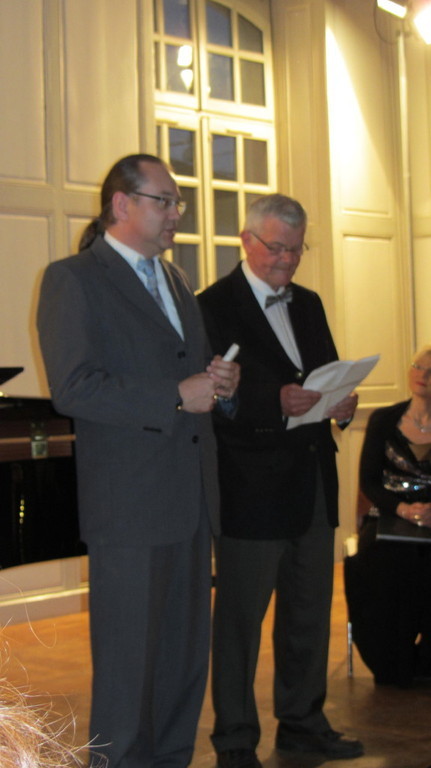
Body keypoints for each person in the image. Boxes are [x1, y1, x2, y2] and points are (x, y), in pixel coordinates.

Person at [36, 154, 239, 768]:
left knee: (183, 662)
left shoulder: (175, 279)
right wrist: (175, 395)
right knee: (128, 670)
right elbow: (74, 388)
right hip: (129, 508)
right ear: (122, 204)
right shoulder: (73, 278)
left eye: (178, 203)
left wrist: (221, 386)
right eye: (165, 201)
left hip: (189, 500)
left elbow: (192, 378)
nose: (177, 213)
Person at [197, 193, 363, 767]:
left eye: (296, 249)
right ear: (246, 240)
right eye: (276, 248)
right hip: (251, 489)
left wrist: (341, 404)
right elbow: (213, 399)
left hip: (313, 482)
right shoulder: (212, 306)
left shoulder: (308, 303)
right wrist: (275, 400)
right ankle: (235, 739)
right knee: (240, 624)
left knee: (309, 613)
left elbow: (326, 373)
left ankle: (303, 723)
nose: (287, 260)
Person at [345, 346, 431, 688]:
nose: (422, 376)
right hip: (388, 517)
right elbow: (369, 481)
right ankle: (393, 662)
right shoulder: (383, 420)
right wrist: (403, 509)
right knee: (383, 564)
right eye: (418, 367)